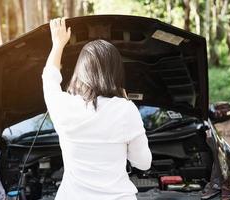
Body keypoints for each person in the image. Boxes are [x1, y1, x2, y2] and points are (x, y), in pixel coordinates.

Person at [42, 17, 152, 200]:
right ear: (116, 72)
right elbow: (143, 163)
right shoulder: (126, 110)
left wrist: (57, 44)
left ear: (81, 70)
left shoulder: (64, 107)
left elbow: (49, 79)